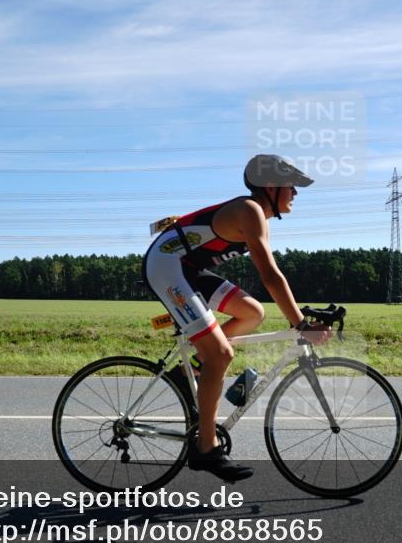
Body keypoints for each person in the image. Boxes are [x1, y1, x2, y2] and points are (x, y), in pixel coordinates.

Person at [142, 154, 332, 481]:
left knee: (253, 312)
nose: (296, 194)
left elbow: (269, 281)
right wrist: (299, 324)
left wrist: (298, 319)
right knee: (222, 354)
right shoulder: (250, 211)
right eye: (292, 187)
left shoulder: (258, 215)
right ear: (270, 187)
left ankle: (193, 372)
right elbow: (271, 277)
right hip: (167, 266)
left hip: (188, 268)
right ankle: (206, 449)